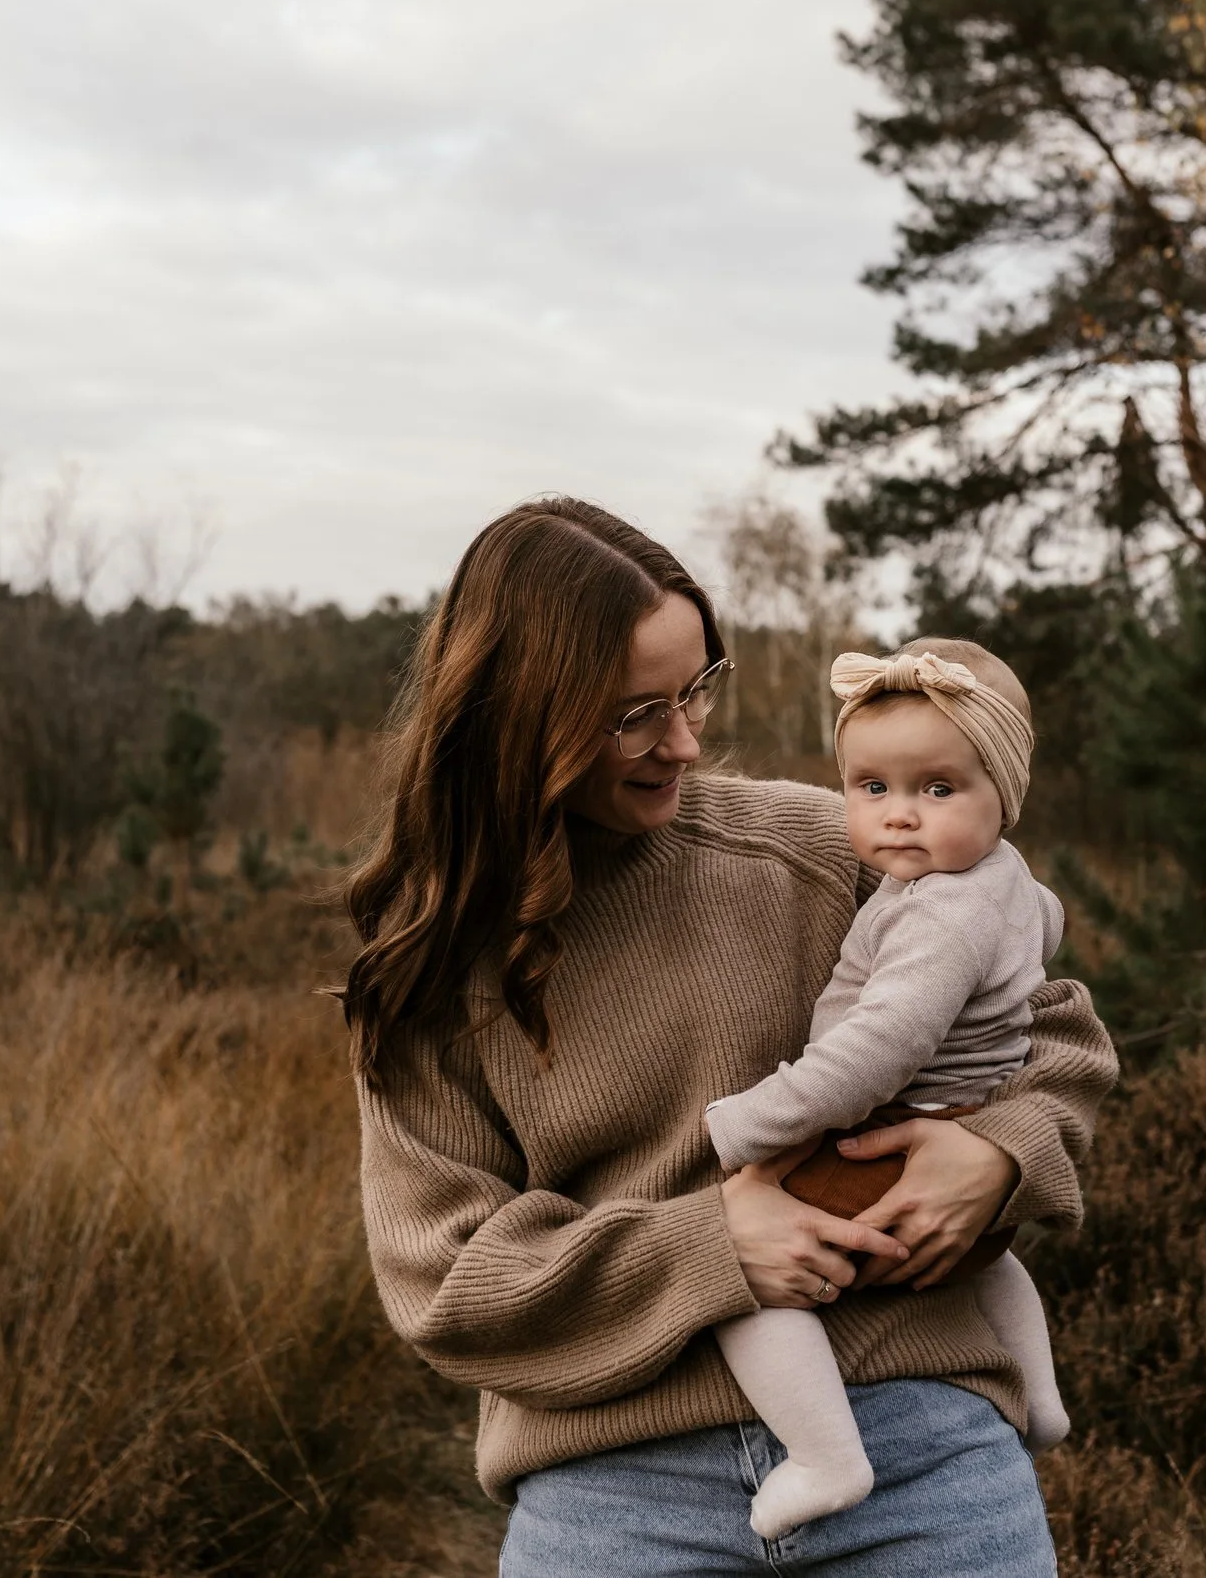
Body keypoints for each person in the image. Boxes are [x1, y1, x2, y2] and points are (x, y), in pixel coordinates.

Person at [345, 498, 1117, 1576]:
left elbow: (1054, 1033)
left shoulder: (825, 847)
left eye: (698, 686)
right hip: (613, 1491)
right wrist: (713, 1248)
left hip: (918, 1454)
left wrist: (999, 1153)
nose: (687, 738)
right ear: (521, 713)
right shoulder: (432, 960)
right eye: (636, 713)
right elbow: (446, 1283)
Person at [704, 641, 1070, 1540]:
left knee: (746, 1284)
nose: (900, 817)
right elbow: (1045, 938)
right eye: (872, 788)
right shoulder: (1007, 880)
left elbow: (880, 1050)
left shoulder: (942, 911)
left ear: (1004, 796)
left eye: (936, 790)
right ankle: (1046, 1400)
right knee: (997, 1255)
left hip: (893, 1129)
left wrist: (748, 1121)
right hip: (970, 1123)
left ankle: (826, 1456)